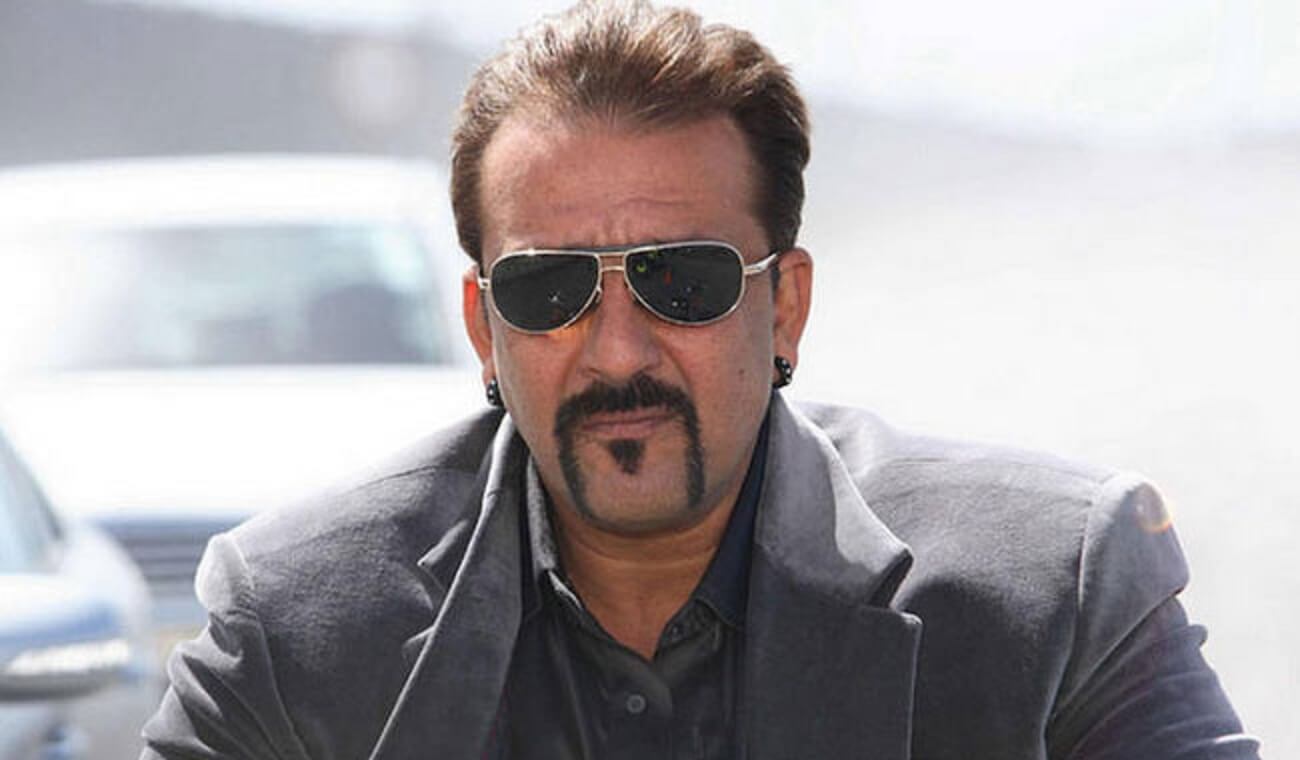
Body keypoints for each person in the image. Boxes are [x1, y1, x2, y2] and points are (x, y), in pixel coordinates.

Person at [141, 2, 1259, 758]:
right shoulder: (298, 623)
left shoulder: (1052, 590)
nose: (617, 351)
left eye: (681, 281)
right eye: (548, 289)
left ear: (787, 307)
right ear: (485, 328)